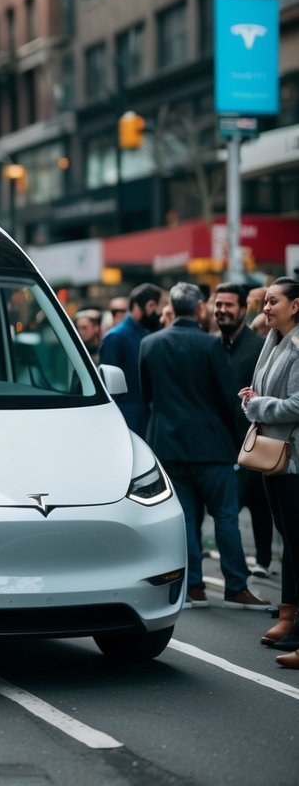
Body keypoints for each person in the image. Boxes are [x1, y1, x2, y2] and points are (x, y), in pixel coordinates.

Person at [140, 281, 268, 611]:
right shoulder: (210, 345)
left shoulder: (150, 344)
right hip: (212, 448)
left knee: (185, 521)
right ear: (199, 308)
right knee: (225, 519)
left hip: (168, 446)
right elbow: (228, 398)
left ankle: (193, 587)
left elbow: (147, 397)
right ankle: (236, 586)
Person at [238, 277, 299, 668]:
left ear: (296, 305)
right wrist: (253, 397)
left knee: (296, 542)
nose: (266, 308)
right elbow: (264, 389)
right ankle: (288, 616)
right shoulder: (273, 340)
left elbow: (296, 404)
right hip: (271, 454)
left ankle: (293, 623)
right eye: (265, 302)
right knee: (289, 542)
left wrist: (257, 406)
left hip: (292, 457)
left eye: (273, 302)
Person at [213, 283, 273, 579]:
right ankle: (233, 572)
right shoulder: (209, 345)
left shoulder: (259, 348)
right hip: (218, 443)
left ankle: (262, 560)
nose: (222, 310)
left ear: (242, 309)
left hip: (253, 440)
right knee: (225, 512)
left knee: (259, 505)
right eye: (218, 304)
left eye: (228, 305)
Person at [98, 282, 162, 436]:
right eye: (160, 307)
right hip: (126, 421)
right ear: (150, 305)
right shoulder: (116, 337)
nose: (160, 314)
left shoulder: (146, 333)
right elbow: (107, 387)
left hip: (144, 419)